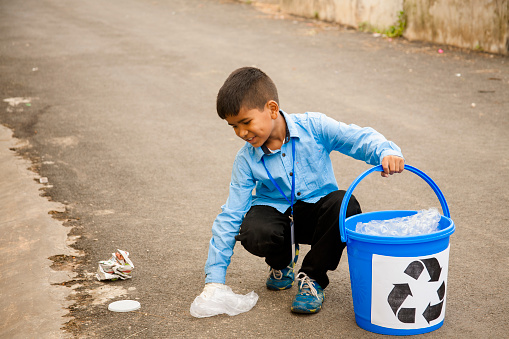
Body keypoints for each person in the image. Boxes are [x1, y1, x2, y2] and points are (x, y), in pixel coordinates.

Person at [200, 67, 404, 314]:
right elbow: (231, 214)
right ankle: (281, 264)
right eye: (233, 126)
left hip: (317, 216)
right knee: (255, 230)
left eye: (246, 122)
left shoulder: (314, 127)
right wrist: (214, 279)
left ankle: (312, 278)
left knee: (345, 205)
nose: (241, 133)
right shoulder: (246, 160)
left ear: (272, 109)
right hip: (278, 217)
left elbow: (356, 138)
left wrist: (386, 151)